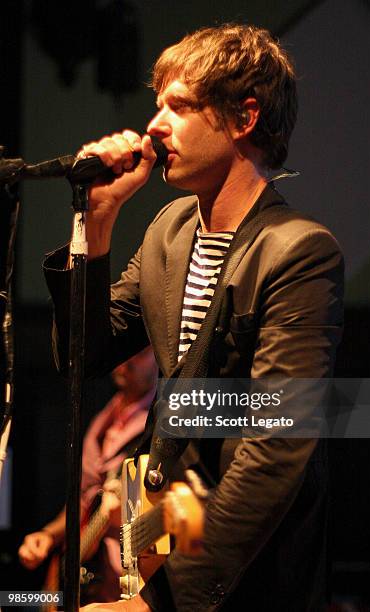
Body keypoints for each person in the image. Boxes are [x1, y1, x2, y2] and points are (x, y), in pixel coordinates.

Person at [43, 24, 344, 611]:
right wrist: (97, 221)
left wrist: (163, 601)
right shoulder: (170, 229)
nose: (155, 126)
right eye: (159, 106)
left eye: (179, 106)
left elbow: (276, 444)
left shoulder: (299, 250)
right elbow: (82, 357)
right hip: (158, 538)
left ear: (244, 117)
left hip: (247, 575)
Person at [18, 348, 158, 602]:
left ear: (158, 356)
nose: (125, 361)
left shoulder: (163, 422)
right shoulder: (105, 419)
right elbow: (83, 502)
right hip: (92, 583)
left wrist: (127, 516)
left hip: (132, 583)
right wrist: (48, 536)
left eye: (138, 353)